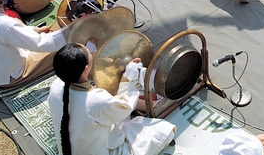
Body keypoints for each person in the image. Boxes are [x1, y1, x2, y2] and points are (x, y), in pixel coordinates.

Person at [48, 43, 176, 155]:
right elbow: (125, 106)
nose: (92, 51)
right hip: (104, 151)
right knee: (164, 130)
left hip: (73, 148)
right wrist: (130, 74)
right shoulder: (95, 101)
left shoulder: (56, 86)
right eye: (89, 51)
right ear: (86, 68)